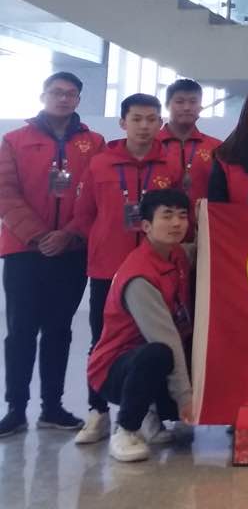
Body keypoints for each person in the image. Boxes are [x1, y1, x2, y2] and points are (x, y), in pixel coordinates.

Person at [67, 93, 180, 444]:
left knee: (154, 341)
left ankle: (148, 414)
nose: (144, 126)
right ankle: (97, 411)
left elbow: (177, 214)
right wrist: (102, 243)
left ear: (160, 123)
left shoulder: (170, 166)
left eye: (151, 119)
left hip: (154, 269)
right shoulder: (100, 163)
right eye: (137, 119)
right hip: (108, 267)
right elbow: (85, 214)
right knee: (102, 339)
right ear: (122, 123)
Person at [0, 72, 105, 438]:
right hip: (24, 251)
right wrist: (39, 236)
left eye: (71, 94)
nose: (63, 99)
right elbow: (5, 193)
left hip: (71, 252)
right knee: (21, 331)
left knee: (59, 330)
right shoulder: (15, 140)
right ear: (43, 95)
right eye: (57, 92)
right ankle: (15, 408)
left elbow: (97, 197)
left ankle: (52, 407)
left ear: (78, 100)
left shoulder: (94, 143)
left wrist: (70, 234)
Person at [86, 189, 195, 461]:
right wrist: (185, 398)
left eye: (182, 216)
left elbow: (203, 248)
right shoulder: (139, 276)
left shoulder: (176, 254)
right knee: (159, 352)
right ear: (146, 226)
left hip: (144, 357)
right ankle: (125, 429)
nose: (176, 223)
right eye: (166, 216)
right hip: (114, 369)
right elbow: (166, 338)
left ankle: (151, 412)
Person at [157, 79, 222, 204]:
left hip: (203, 216)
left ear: (200, 107)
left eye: (193, 102)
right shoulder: (151, 145)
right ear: (167, 105)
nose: (187, 108)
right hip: (158, 215)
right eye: (179, 102)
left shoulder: (216, 147)